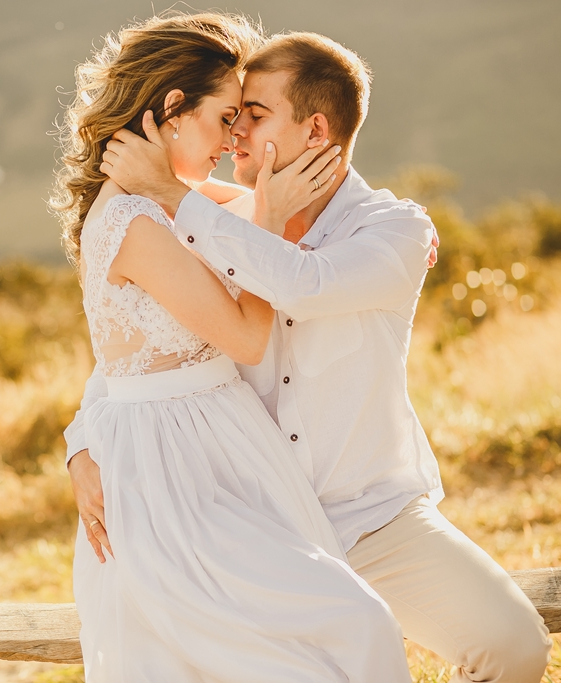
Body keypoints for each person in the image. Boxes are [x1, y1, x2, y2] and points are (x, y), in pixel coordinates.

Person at [71, 29, 553, 682]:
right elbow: (146, 348)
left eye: (254, 115)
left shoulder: (393, 231)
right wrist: (81, 442)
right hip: (242, 514)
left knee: (515, 646)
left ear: (315, 127)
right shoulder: (210, 220)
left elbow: (301, 282)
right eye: (230, 115)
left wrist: (183, 197)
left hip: (368, 518)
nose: (234, 134)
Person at [52, 13, 412, 681]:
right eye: (224, 117)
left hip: (217, 449)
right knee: (341, 625)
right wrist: (270, 220)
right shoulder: (134, 220)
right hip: (177, 476)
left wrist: (396, 232)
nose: (231, 140)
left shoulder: (170, 197)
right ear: (172, 111)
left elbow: (241, 211)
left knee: (322, 628)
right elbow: (247, 337)